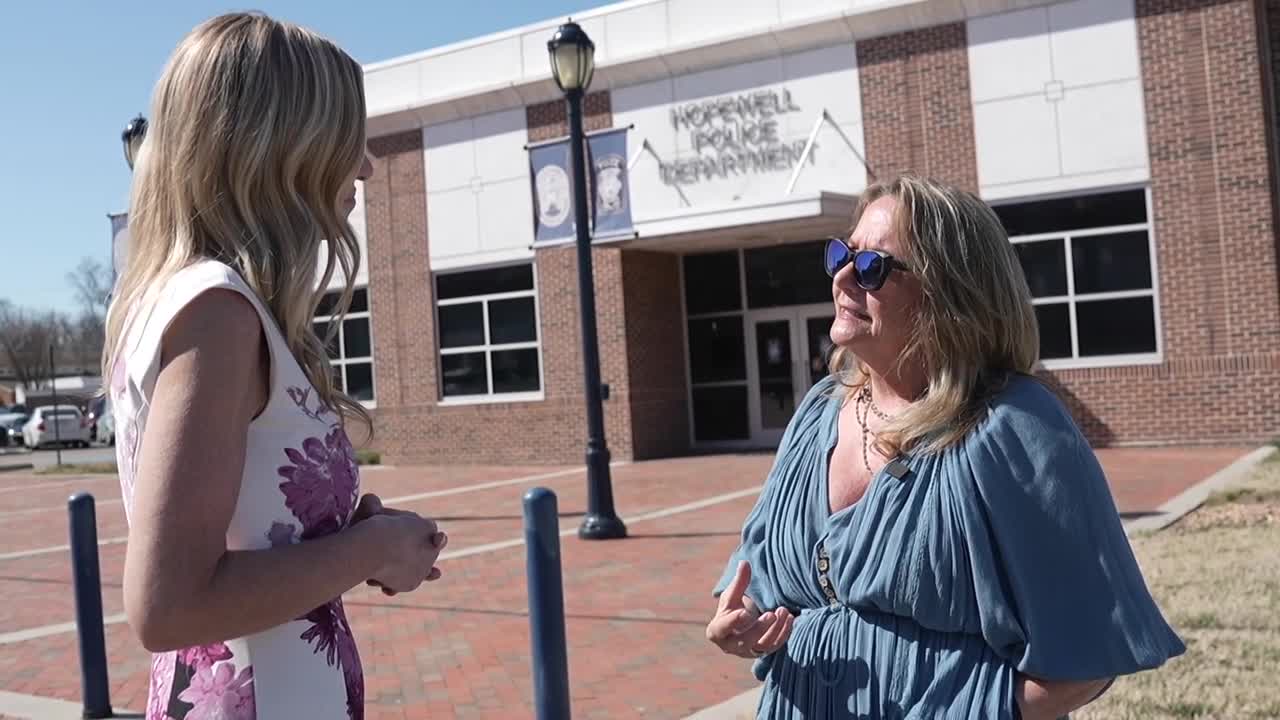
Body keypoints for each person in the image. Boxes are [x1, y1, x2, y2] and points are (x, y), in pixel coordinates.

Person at [705, 175, 1185, 719]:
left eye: (872, 268)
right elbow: (758, 576)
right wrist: (742, 620)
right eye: (842, 254)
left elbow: (1088, 658)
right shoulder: (818, 411)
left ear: (950, 294)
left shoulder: (1012, 425)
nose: (842, 278)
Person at [102, 13, 446, 720]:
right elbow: (169, 605)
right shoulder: (218, 314)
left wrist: (352, 544)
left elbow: (238, 534)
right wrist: (370, 547)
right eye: (346, 137)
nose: (365, 166)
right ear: (284, 144)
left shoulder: (189, 301)